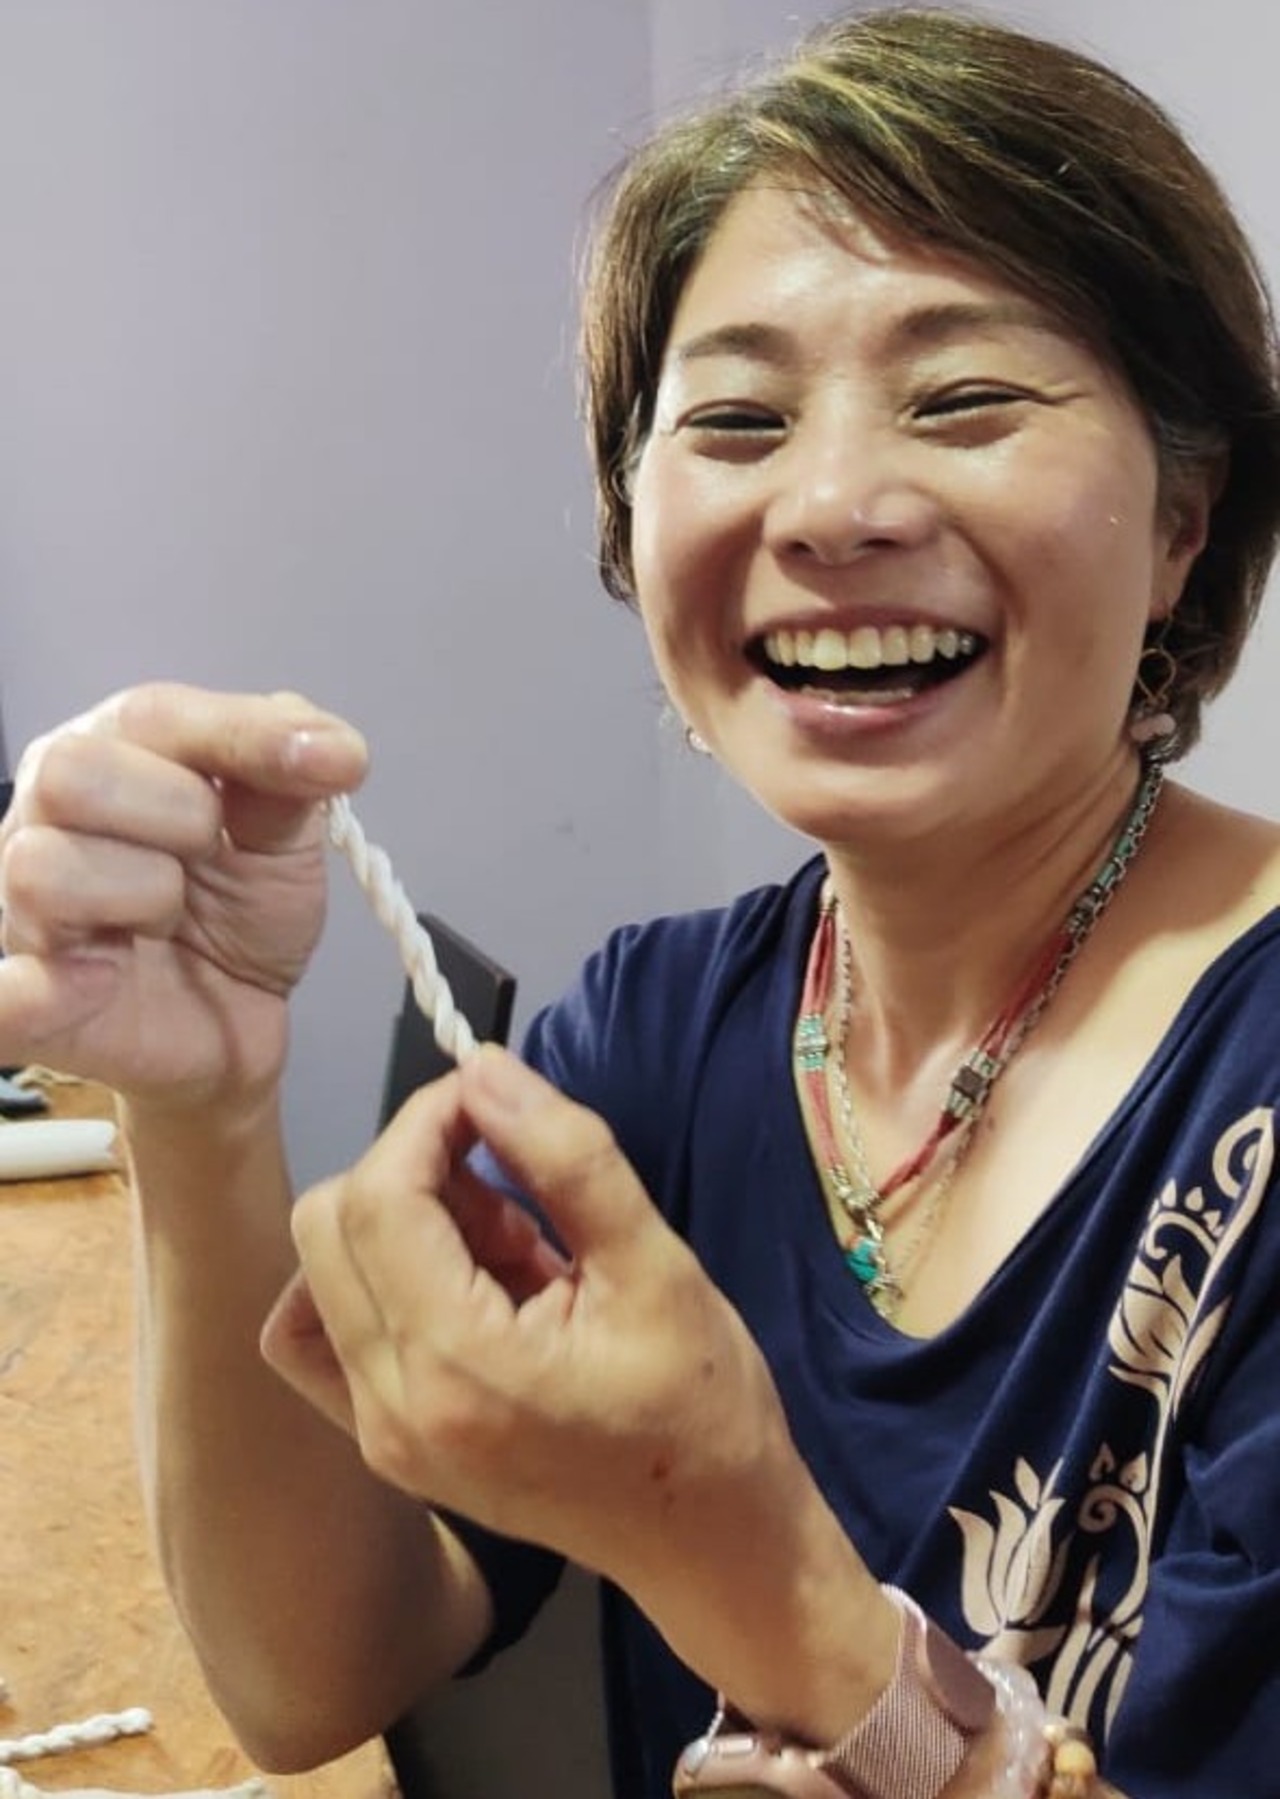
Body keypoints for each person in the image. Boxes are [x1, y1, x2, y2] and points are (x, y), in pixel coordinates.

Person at [1, 6, 1279, 1797]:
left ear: (1184, 522)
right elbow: (313, 1679)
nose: (830, 505)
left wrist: (729, 1545)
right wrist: (199, 1108)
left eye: (968, 396)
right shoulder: (659, 1036)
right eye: (738, 419)